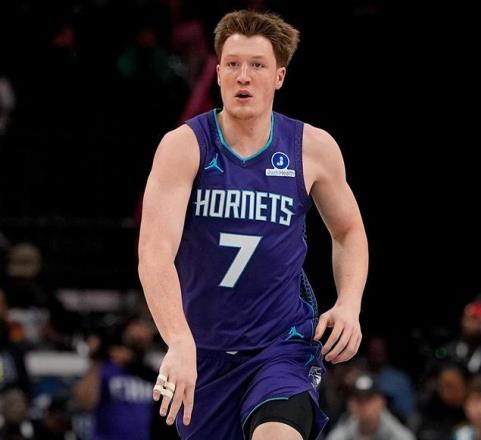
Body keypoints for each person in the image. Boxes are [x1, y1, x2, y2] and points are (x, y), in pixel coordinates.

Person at [138, 9, 369, 440]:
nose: (243, 76)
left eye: (257, 65)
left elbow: (348, 231)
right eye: (232, 64)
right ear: (218, 73)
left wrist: (349, 304)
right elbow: (154, 251)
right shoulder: (184, 147)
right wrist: (178, 340)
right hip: (203, 351)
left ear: (279, 76)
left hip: (281, 344)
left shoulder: (312, 147)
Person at [325, 373, 415, 440]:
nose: (364, 406)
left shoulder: (400, 436)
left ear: (381, 402)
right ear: (351, 404)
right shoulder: (339, 436)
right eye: (359, 401)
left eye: (369, 400)